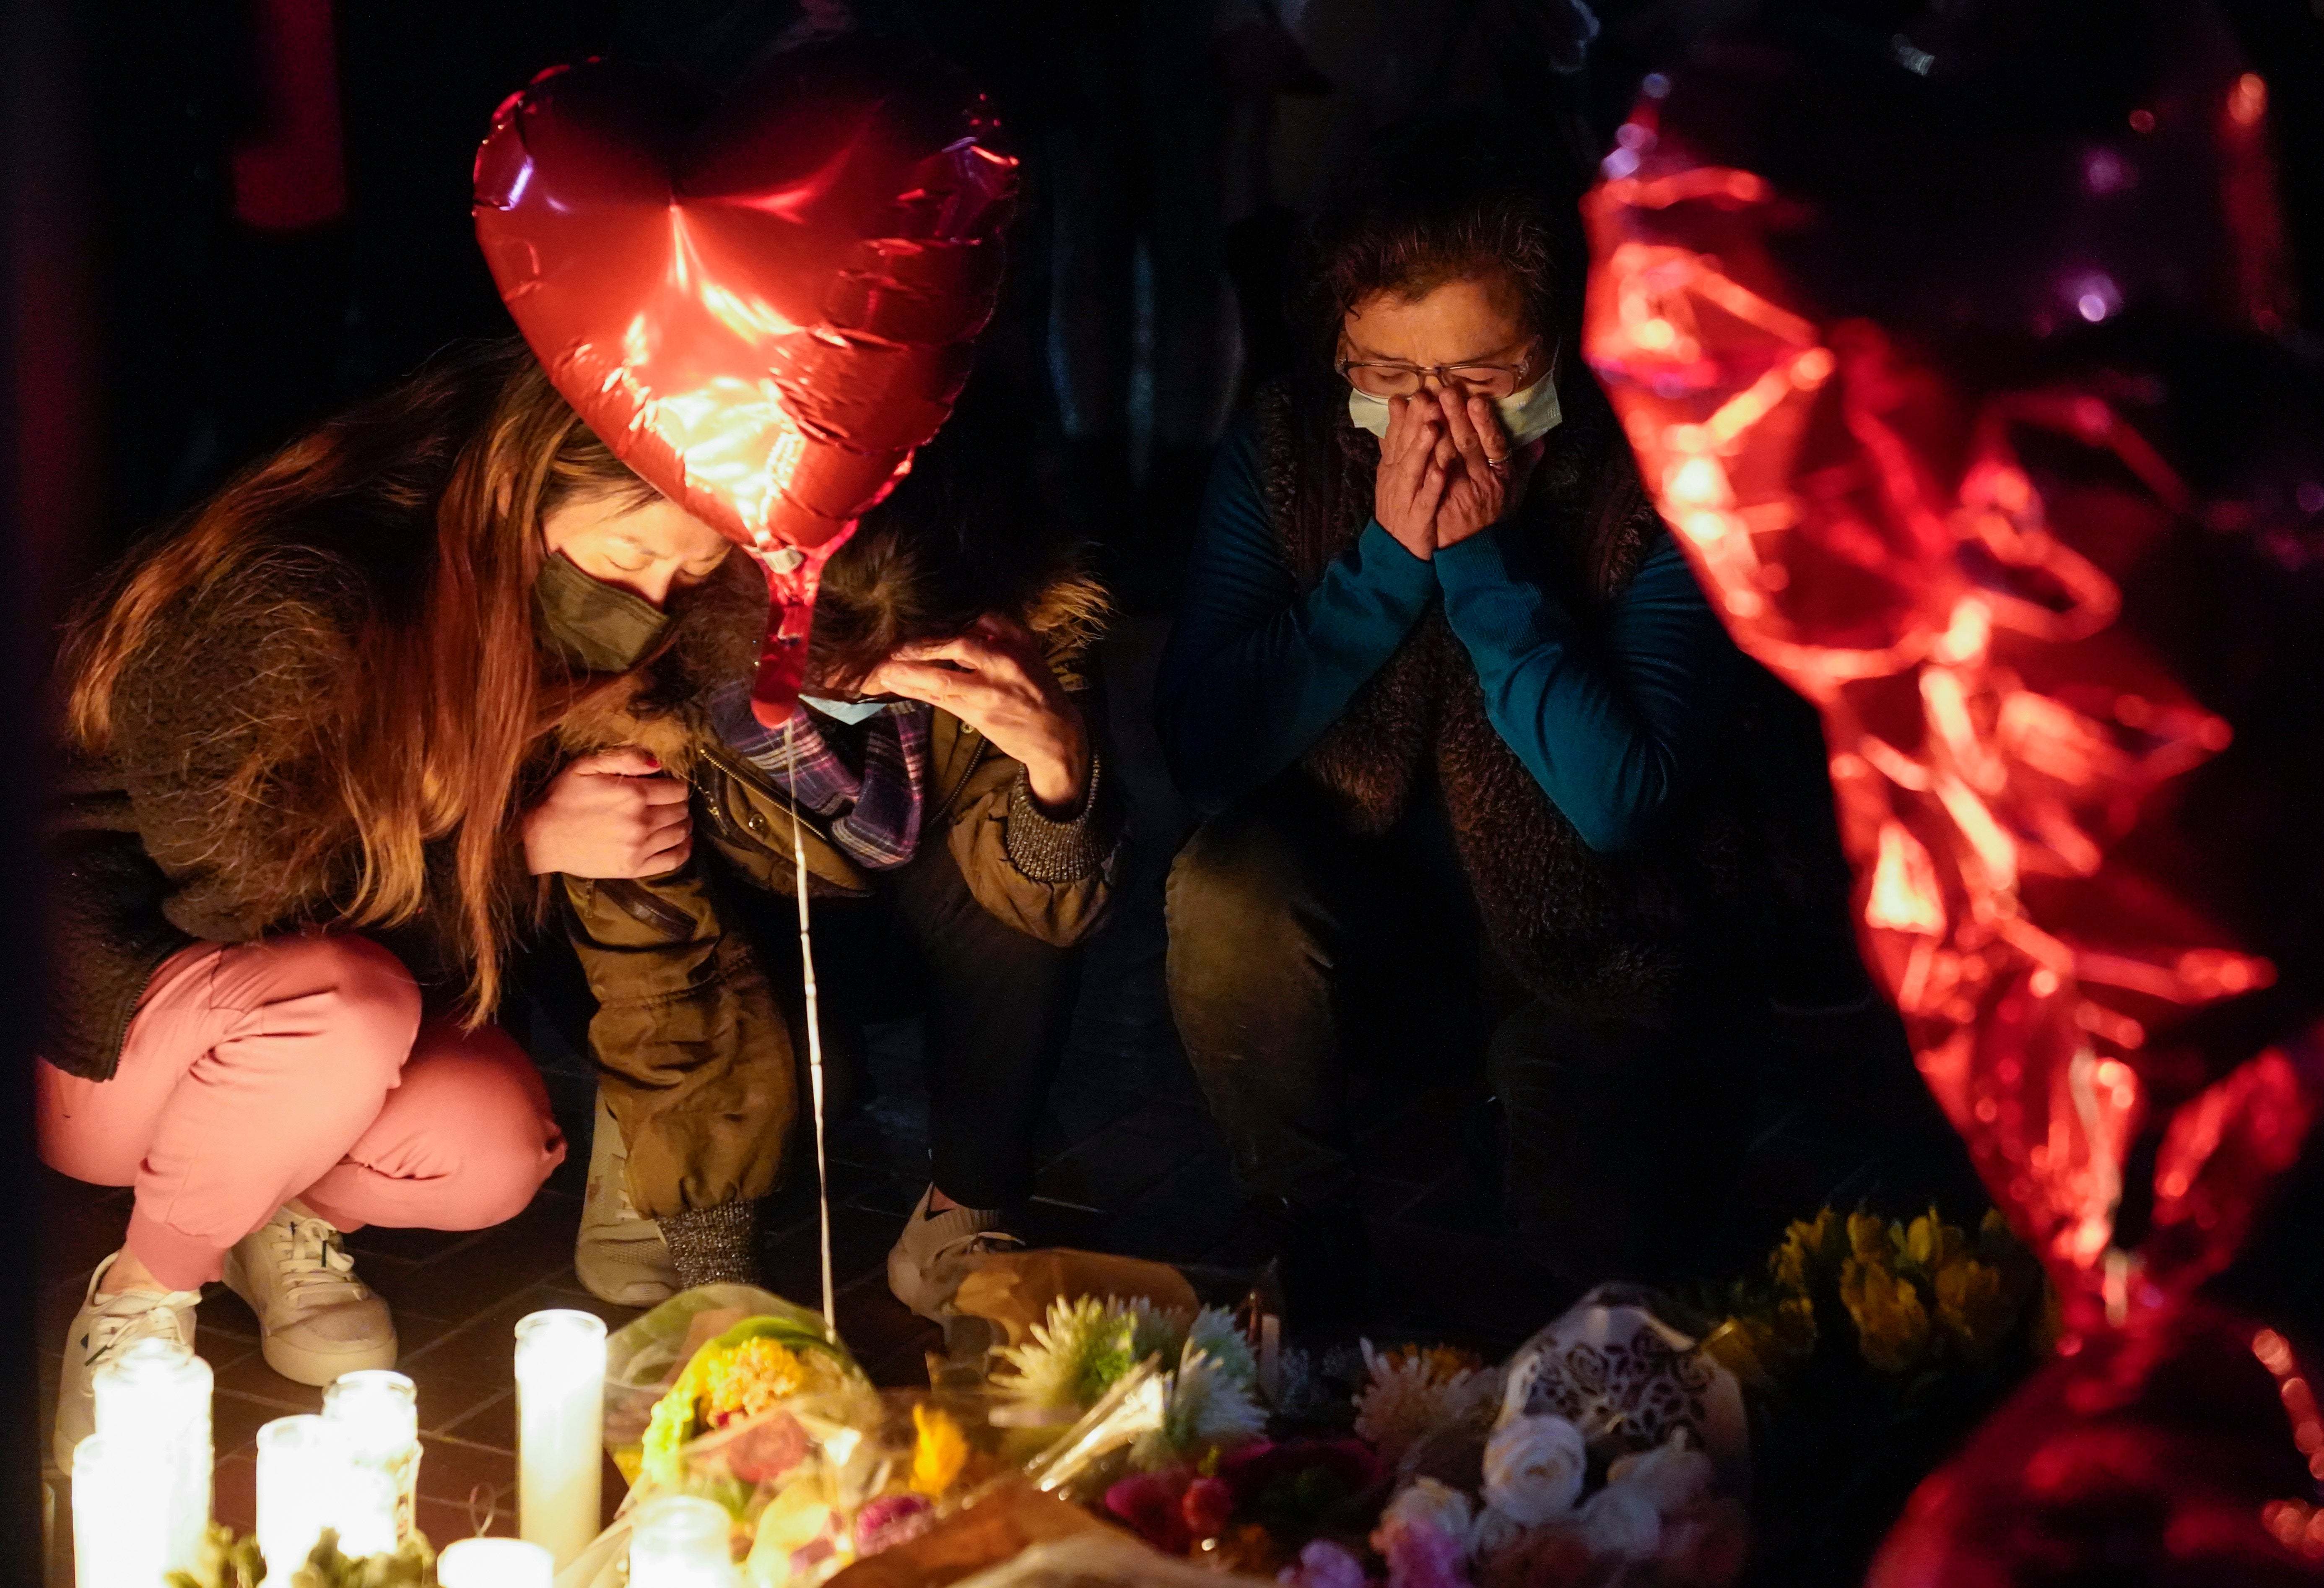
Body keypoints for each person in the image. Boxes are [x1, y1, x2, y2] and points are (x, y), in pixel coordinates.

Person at [1157, 125, 1883, 1327]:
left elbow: (1620, 794)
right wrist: (1383, 567)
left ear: (1558, 344)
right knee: (1226, 890)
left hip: (1603, 929)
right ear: (1341, 345)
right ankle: (1306, 1232)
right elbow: (1204, 746)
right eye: (1392, 380)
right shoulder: (1288, 444)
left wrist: (1489, 562)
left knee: (1587, 1294)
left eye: (1485, 377)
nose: (1437, 416)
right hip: (1372, 889)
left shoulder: (1652, 459)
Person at [42, 340, 743, 1466]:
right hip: (111, 1020)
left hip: (304, 1025)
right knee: (349, 1005)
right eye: (629, 552)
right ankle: (143, 1300)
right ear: (526, 484)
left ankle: (275, 1209)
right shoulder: (300, 591)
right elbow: (235, 891)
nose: (650, 598)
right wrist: (520, 840)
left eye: (687, 575)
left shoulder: (553, 617)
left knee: (497, 1149)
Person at [558, 453, 1125, 1321]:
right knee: (774, 1088)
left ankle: (966, 1208)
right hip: (734, 934)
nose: (860, 701)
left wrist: (1057, 763)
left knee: (1028, 874)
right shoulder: (655, 674)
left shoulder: (1016, 633)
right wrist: (718, 1261)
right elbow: (652, 954)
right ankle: (645, 1147)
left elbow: (1046, 907)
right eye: (834, 683)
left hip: (905, 923)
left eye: (892, 680)